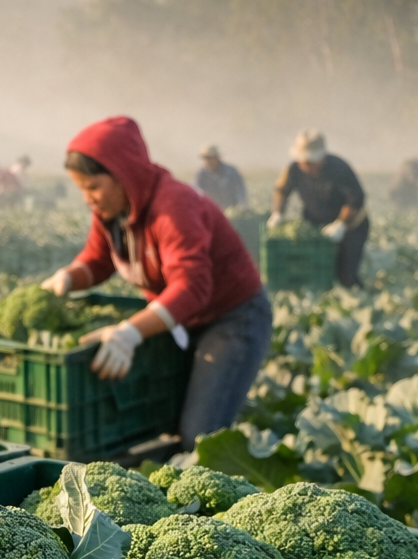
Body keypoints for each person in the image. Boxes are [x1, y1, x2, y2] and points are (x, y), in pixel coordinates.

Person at [40, 117, 271, 451]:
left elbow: (192, 286)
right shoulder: (111, 209)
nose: (87, 198)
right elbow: (99, 259)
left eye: (92, 187)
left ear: (122, 175)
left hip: (233, 319)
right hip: (179, 320)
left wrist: (129, 332)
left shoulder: (174, 206)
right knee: (160, 423)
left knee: (198, 437)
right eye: (81, 189)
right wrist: (69, 277)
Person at [269, 130, 368, 288]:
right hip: (315, 224)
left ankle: (356, 298)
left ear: (321, 158)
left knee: (345, 274)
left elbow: (355, 201)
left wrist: (341, 224)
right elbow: (282, 190)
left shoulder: (339, 168)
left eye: (309, 162)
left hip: (351, 227)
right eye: (302, 161)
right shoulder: (294, 169)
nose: (305, 166)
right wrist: (277, 213)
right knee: (315, 271)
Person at [195, 144, 247, 210]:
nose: (207, 161)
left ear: (216, 157)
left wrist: (241, 205)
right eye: (205, 158)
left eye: (210, 158)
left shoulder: (231, 171)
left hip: (232, 211)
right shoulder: (201, 175)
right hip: (212, 212)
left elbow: (240, 190)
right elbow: (198, 194)